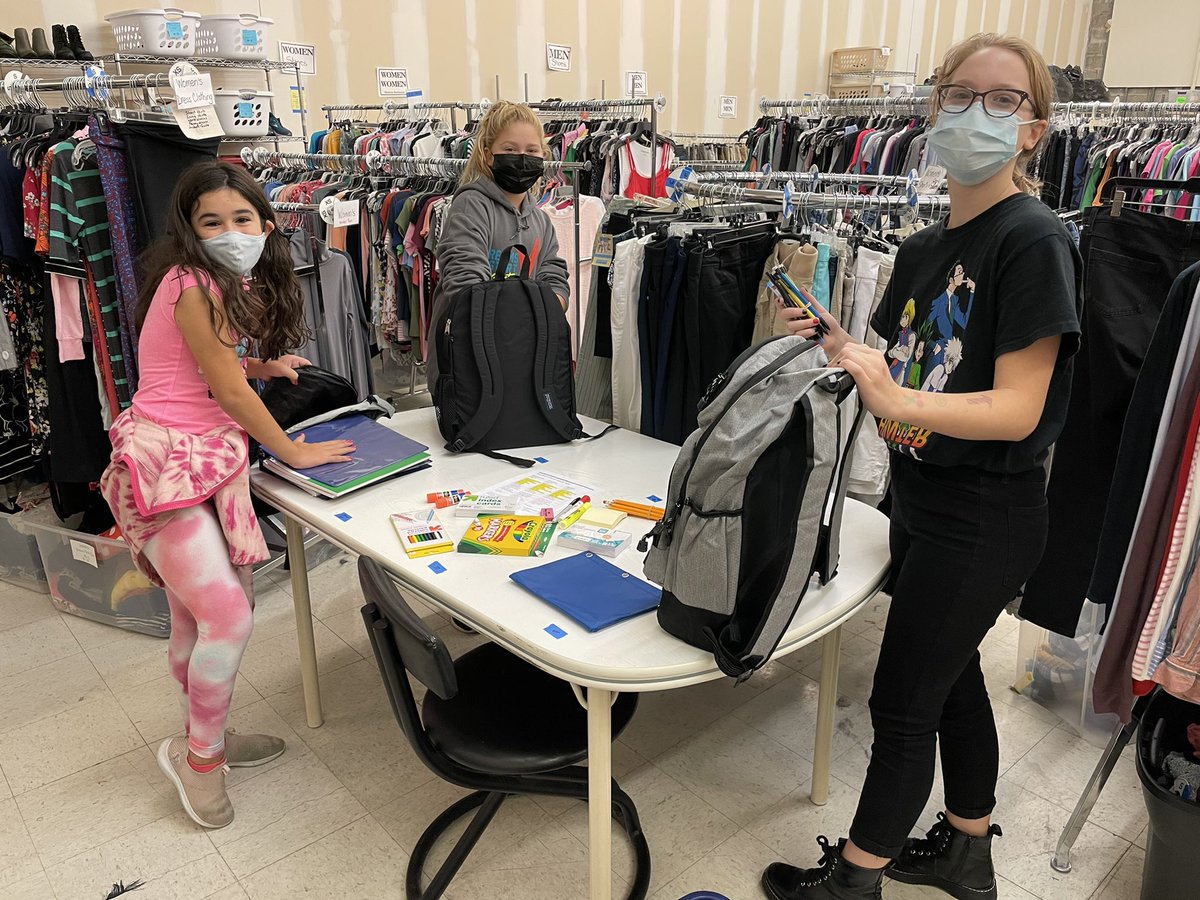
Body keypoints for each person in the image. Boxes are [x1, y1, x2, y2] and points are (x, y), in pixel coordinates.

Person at [762, 33, 1083, 900]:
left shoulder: (1033, 239)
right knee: (949, 683)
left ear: (1033, 131)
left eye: (1004, 99)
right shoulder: (922, 248)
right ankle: (966, 852)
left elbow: (1016, 407)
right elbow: (923, 374)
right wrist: (849, 350)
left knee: (902, 704)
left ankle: (854, 883)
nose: (977, 111)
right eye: (959, 92)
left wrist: (896, 400)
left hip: (985, 516)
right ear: (933, 108)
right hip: (926, 500)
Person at [99, 161, 356, 830]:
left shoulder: (205, 281)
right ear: (190, 229)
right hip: (167, 465)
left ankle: (204, 735)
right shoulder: (197, 286)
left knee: (197, 617)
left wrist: (261, 363)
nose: (230, 231)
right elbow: (231, 395)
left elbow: (202, 364)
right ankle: (200, 762)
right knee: (229, 616)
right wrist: (293, 450)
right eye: (211, 222)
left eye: (242, 219)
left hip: (199, 460)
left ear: (266, 225)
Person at [425, 99, 570, 393]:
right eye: (510, 150)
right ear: (488, 154)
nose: (521, 158)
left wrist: (552, 305)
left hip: (521, 359)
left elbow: (554, 278)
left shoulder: (541, 221)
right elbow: (465, 284)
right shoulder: (470, 206)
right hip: (468, 362)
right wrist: (534, 312)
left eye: (531, 151)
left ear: (543, 155)